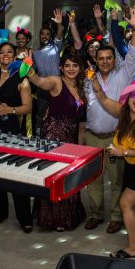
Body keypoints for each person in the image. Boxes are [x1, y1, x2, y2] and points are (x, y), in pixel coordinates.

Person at [82, 6, 135, 234]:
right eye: (101, 59)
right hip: (92, 136)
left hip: (115, 137)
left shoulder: (124, 74)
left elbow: (134, 52)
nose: (105, 61)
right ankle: (95, 214)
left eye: (109, 58)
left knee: (117, 180)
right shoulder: (89, 79)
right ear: (95, 60)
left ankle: (117, 216)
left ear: (114, 60)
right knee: (93, 178)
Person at [90, 79, 135, 259]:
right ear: (127, 98)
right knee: (132, 204)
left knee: (126, 204)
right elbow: (104, 99)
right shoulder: (124, 113)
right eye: (134, 96)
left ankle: (133, 248)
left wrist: (122, 152)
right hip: (133, 167)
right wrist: (94, 81)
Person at [0, 2, 34, 232]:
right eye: (2, 52)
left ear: (15, 56)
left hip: (11, 129)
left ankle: (25, 218)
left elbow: (27, 107)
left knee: (16, 172)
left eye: (9, 52)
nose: (4, 55)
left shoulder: (21, 77)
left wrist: (10, 110)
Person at [25, 52, 87, 231]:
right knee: (55, 176)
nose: (71, 69)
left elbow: (81, 121)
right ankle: (54, 218)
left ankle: (68, 215)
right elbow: (40, 82)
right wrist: (29, 68)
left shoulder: (81, 87)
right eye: (67, 65)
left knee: (69, 176)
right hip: (54, 136)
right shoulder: (57, 81)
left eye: (75, 65)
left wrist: (80, 145)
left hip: (71, 136)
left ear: (80, 68)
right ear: (61, 67)